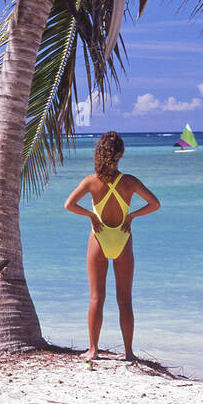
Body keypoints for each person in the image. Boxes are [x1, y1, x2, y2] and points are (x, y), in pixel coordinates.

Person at [64, 131, 160, 362]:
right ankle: (128, 353)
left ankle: (93, 350)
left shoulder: (91, 182)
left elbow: (69, 205)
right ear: (120, 155)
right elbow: (155, 204)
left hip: (99, 238)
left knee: (96, 298)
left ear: (100, 153)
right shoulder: (130, 182)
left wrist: (91, 215)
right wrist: (132, 216)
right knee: (125, 300)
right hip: (122, 239)